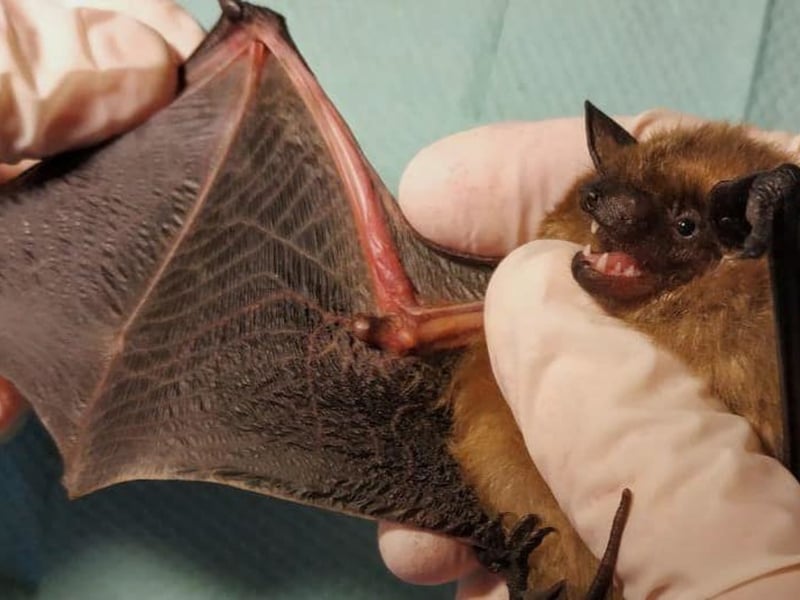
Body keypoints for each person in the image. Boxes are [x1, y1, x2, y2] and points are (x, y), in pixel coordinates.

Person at [3, 2, 800, 598]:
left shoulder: (762, 313)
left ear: (745, 233)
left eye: (684, 226)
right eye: (611, 192)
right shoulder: (518, 306)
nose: (615, 216)